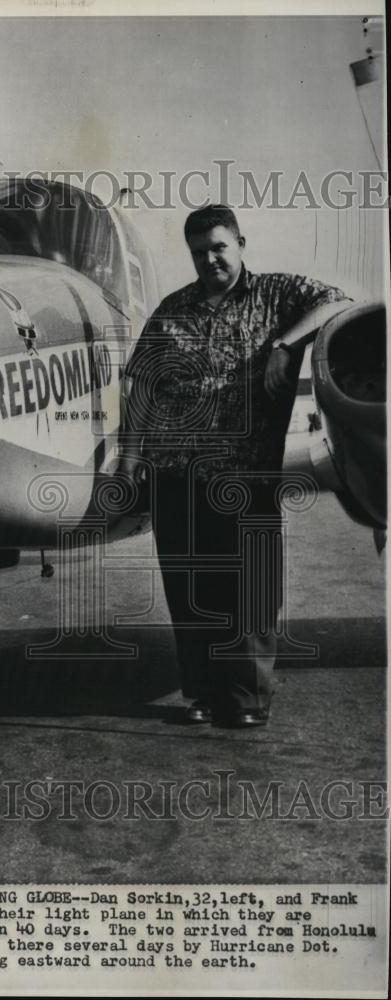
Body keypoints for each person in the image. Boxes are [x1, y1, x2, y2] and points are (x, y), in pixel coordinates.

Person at [120, 205, 351, 728]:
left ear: (240, 243)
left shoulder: (275, 295)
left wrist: (285, 344)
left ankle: (247, 700)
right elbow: (143, 387)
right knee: (192, 589)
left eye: (218, 247)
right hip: (176, 472)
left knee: (250, 590)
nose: (209, 259)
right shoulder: (172, 310)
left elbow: (338, 300)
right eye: (199, 251)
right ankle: (200, 694)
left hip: (246, 475)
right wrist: (128, 458)